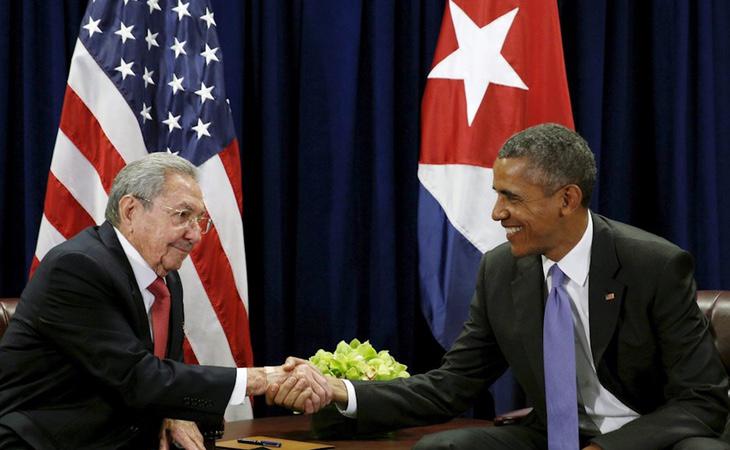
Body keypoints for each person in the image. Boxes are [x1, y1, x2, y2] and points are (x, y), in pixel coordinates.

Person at [270, 123, 729, 449]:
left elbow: (702, 401)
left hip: (650, 437)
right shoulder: (501, 271)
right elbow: (450, 387)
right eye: (496, 194)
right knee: (442, 448)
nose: (496, 213)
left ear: (567, 199)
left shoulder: (653, 264)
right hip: (552, 437)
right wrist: (339, 391)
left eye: (511, 197)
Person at [0, 153, 331, 450]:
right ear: (131, 210)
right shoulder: (77, 268)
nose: (196, 234)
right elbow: (137, 377)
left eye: (199, 219)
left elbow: (163, 376)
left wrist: (174, 411)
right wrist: (263, 379)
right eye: (183, 215)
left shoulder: (166, 278)